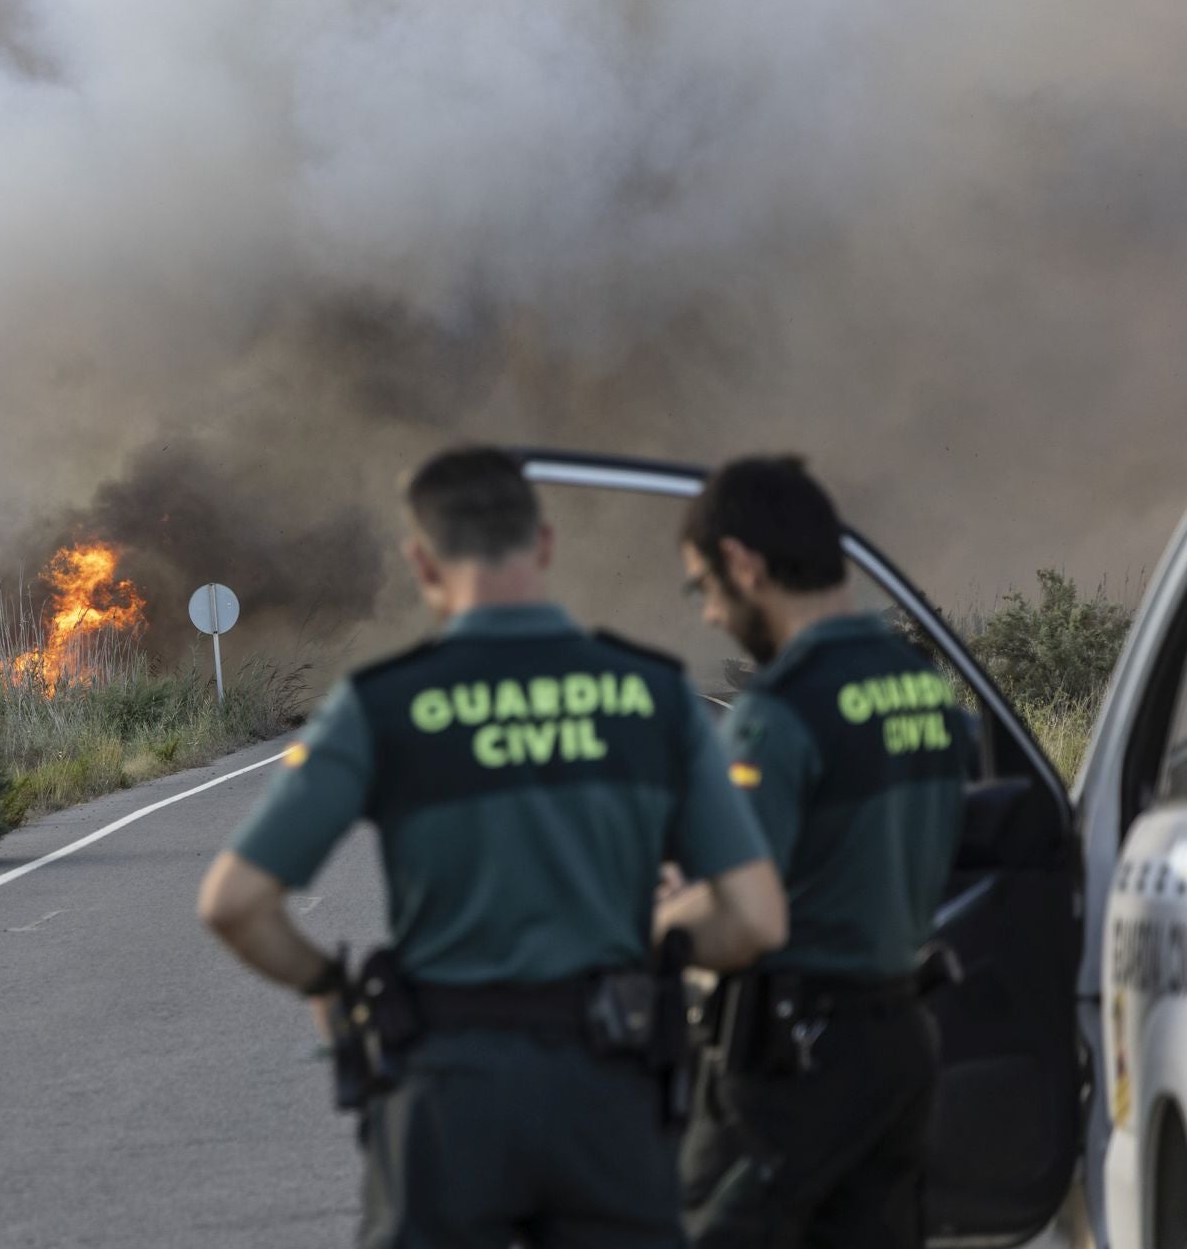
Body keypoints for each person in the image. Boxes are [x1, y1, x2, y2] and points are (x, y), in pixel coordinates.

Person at [198, 445, 787, 1249]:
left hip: (444, 1099)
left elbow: (235, 903)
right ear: (543, 544)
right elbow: (753, 920)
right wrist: (650, 939)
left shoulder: (384, 705)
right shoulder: (653, 697)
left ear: (421, 561)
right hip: (609, 1098)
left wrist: (335, 991)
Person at [666, 455, 975, 1248]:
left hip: (791, 1067)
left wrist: (658, 921)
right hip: (902, 1047)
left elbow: (746, 919)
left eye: (702, 586)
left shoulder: (779, 714)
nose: (707, 613)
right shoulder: (924, 690)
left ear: (744, 563)